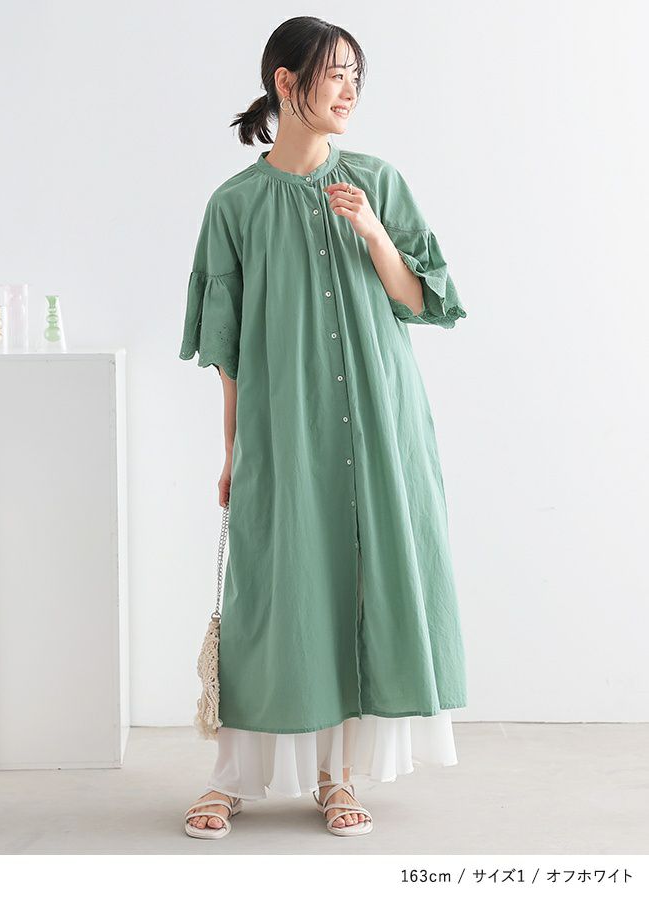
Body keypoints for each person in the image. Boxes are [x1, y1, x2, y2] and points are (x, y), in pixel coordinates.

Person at [179, 16, 467, 839]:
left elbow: (423, 299)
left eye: (355, 77)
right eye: (334, 73)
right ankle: (231, 777)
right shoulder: (235, 204)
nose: (348, 90)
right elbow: (226, 347)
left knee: (363, 586)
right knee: (276, 591)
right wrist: (233, 449)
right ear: (285, 81)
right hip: (286, 421)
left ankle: (338, 779)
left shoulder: (378, 180)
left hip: (380, 416)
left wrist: (371, 230)